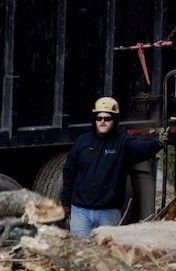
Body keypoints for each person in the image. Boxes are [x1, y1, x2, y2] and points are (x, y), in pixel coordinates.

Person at [61, 97, 167, 237]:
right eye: (99, 118)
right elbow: (69, 174)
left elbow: (142, 149)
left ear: (115, 120)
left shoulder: (123, 143)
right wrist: (65, 203)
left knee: (107, 253)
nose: (103, 121)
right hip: (81, 212)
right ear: (94, 119)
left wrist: (158, 142)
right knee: (80, 253)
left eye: (107, 118)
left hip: (108, 213)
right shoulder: (82, 142)